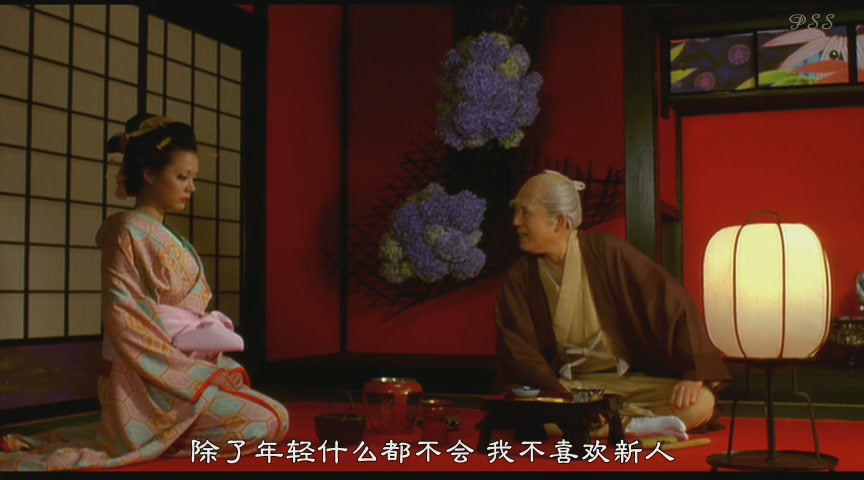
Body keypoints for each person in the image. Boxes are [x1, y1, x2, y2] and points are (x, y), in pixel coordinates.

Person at [0, 114, 289, 471]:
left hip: (186, 367)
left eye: (193, 178)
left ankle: (162, 438)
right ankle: (153, 438)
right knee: (265, 422)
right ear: (150, 174)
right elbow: (123, 316)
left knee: (276, 416)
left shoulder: (172, 238)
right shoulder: (125, 231)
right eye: (182, 177)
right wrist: (190, 373)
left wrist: (208, 366)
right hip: (146, 376)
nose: (191, 188)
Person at [492, 170, 731, 440]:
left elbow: (667, 302)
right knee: (532, 411)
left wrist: (692, 372)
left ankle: (601, 426)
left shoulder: (606, 252)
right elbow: (520, 353)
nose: (516, 222)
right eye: (516, 212)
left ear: (558, 222)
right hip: (571, 387)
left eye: (525, 213)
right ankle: (632, 425)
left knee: (701, 403)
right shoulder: (522, 277)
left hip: (628, 383)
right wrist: (564, 398)